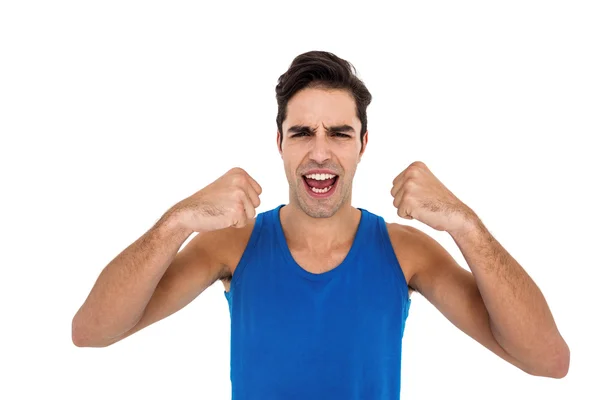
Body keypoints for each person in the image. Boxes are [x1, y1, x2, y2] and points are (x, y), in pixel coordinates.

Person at [72, 51, 570, 399]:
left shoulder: (405, 252)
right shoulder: (231, 246)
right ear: (280, 143)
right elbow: (92, 331)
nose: (320, 152)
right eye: (302, 132)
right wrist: (175, 221)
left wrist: (466, 225)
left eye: (339, 132)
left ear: (363, 145)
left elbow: (547, 361)